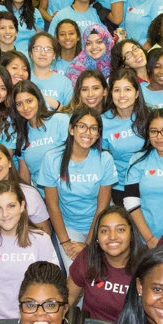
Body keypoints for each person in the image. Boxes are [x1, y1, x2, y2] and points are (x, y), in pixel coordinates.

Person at [0, 178, 61, 319]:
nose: (5, 214)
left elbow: (52, 288)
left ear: (22, 206)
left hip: (33, 321)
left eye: (11, 206)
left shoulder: (41, 240)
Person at [40, 108, 117, 256]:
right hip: (69, 227)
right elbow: (52, 206)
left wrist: (87, 244)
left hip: (101, 224)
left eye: (93, 128)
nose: (87, 132)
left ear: (98, 134)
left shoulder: (105, 159)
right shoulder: (52, 158)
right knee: (75, 266)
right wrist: (65, 242)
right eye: (82, 126)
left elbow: (102, 207)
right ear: (71, 129)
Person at [69, 204, 145, 322]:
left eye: (120, 229)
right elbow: (68, 298)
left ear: (131, 234)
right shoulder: (87, 257)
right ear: (97, 237)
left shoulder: (147, 264)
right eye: (104, 231)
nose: (112, 237)